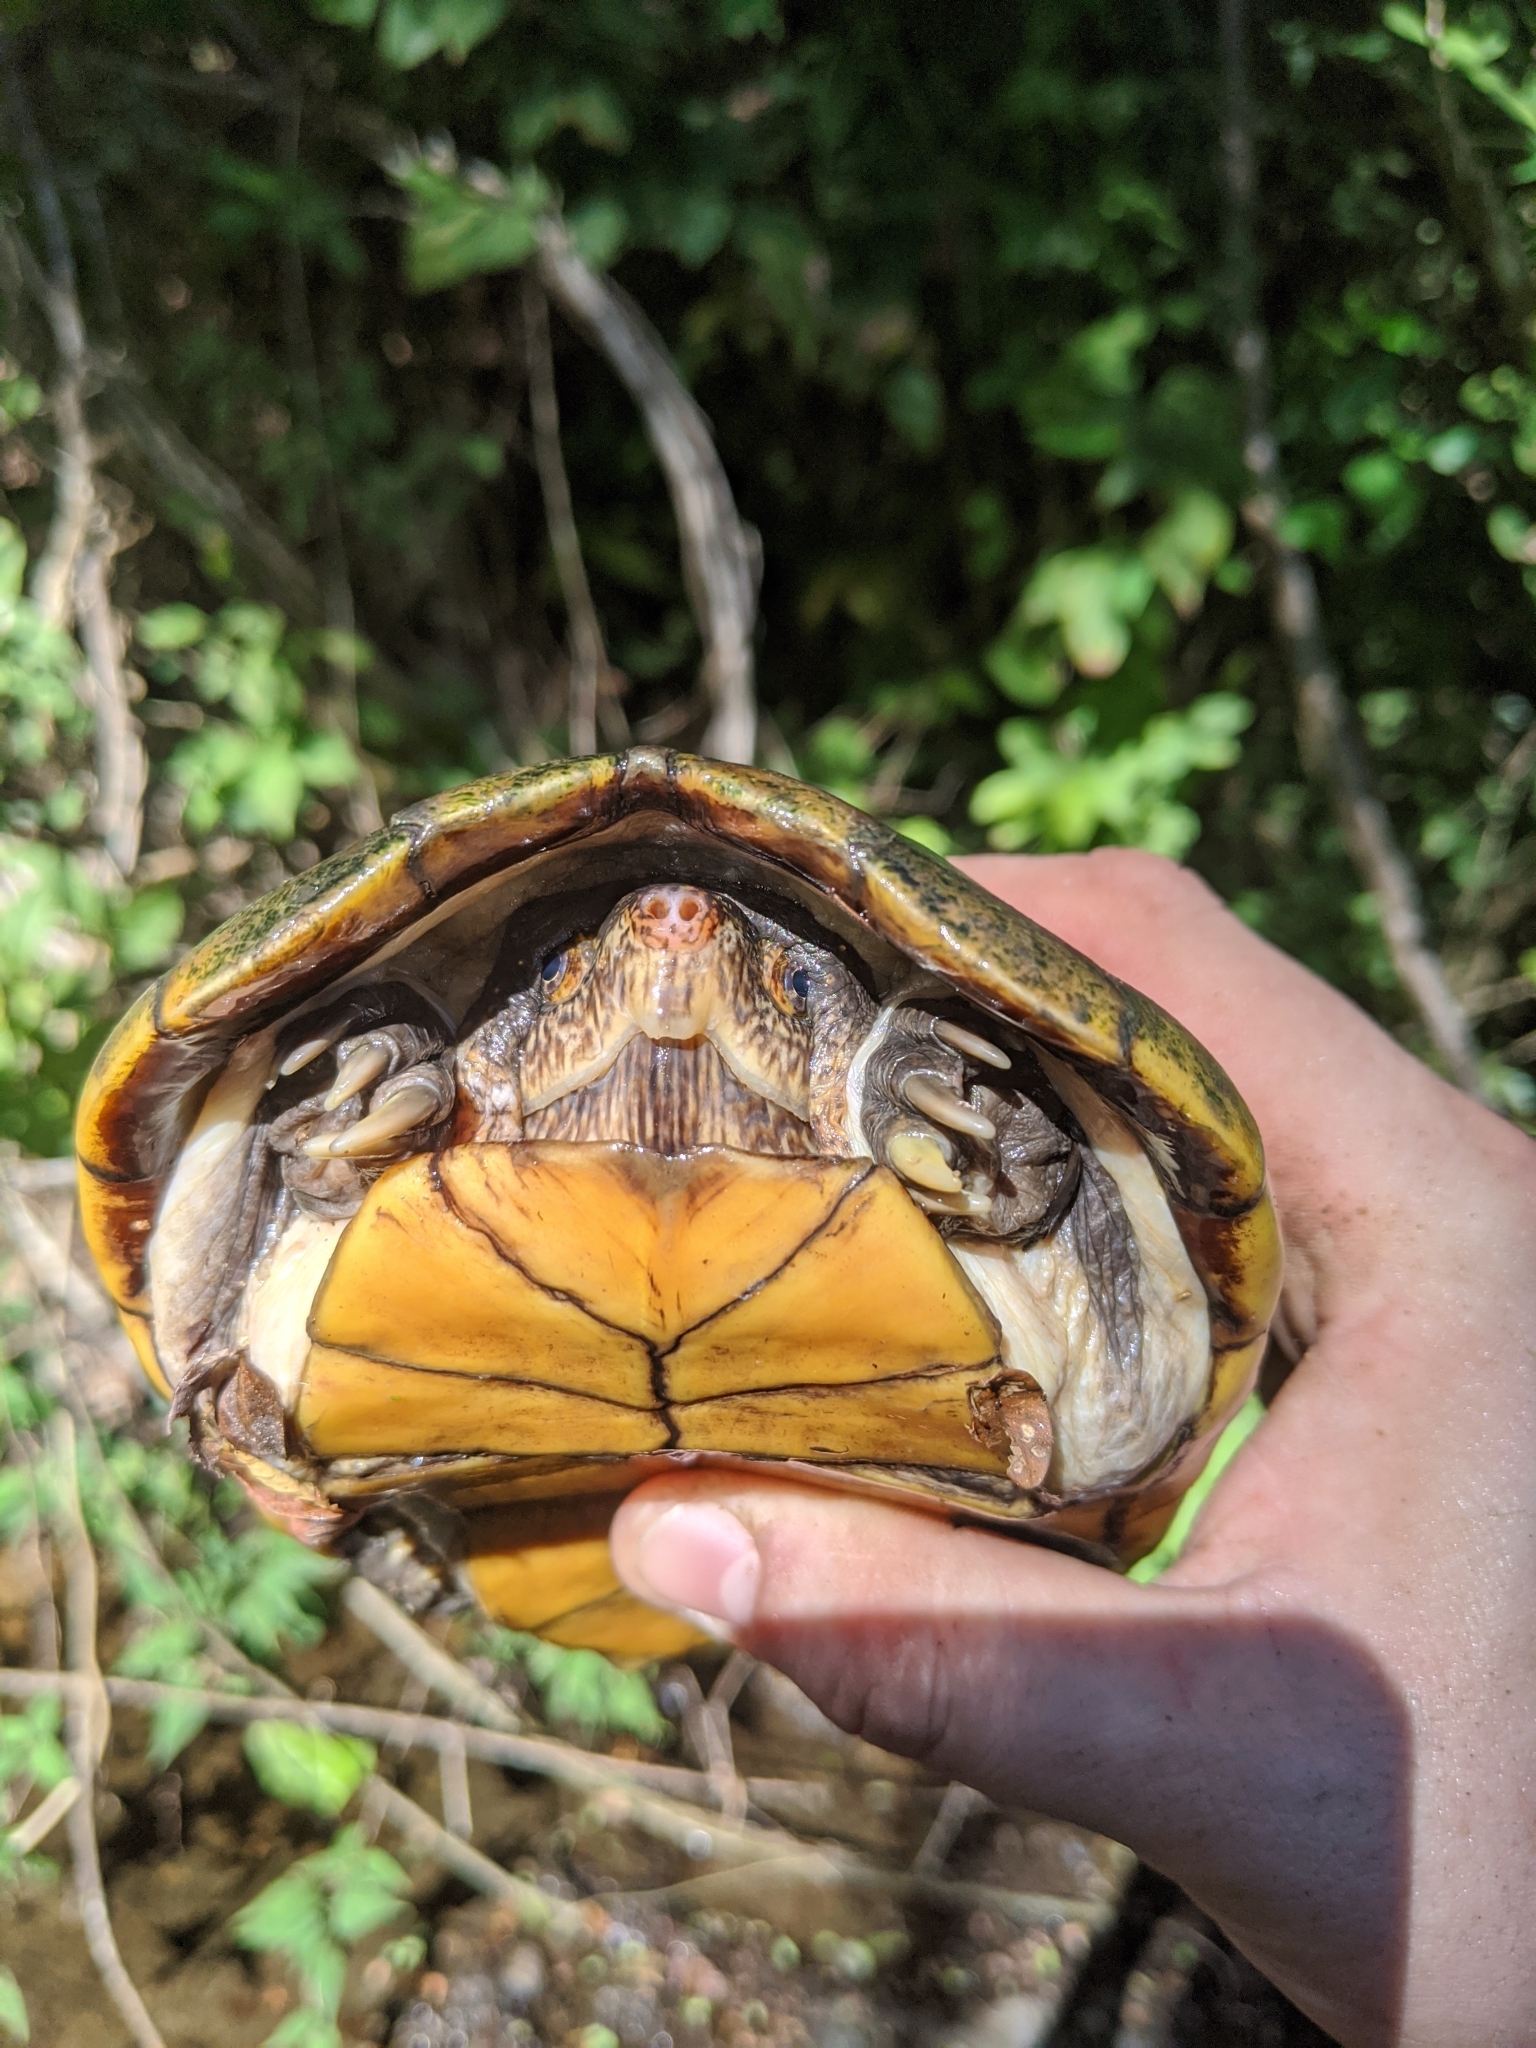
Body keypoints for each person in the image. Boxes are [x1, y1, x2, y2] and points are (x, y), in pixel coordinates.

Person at [608, 848, 1536, 2048]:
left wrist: (953, 1111)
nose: (679, 938)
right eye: (578, 960)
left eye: (771, 968)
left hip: (979, 1449)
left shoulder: (914, 1065)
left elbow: (1134, 1400)